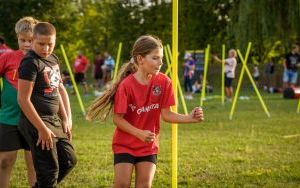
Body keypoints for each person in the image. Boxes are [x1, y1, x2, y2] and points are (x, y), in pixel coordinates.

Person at [86, 35, 204, 188]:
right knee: (122, 184)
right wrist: (139, 133)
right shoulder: (126, 86)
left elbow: (167, 115)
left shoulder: (164, 82)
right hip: (125, 144)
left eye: (161, 58)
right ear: (140, 59)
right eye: (155, 58)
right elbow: (117, 119)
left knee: (144, 185)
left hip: (148, 146)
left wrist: (190, 118)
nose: (160, 62)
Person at [18, 22, 77, 187]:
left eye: (49, 44)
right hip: (36, 123)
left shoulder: (53, 59)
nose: (45, 48)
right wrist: (42, 129)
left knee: (69, 160)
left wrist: (65, 118)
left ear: (55, 41)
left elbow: (57, 90)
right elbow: (23, 99)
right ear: (33, 41)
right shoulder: (30, 62)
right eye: (41, 44)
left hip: (54, 120)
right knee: (49, 171)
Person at [0, 16, 38, 188]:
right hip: (8, 118)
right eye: (22, 40)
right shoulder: (8, 58)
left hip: (33, 119)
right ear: (17, 38)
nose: (27, 45)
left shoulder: (42, 60)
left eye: (30, 40)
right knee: (5, 161)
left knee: (34, 164)